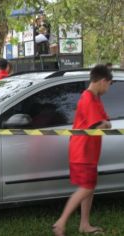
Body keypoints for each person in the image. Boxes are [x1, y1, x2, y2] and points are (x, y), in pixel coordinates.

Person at [52, 65, 113, 236]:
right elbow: (99, 125)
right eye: (109, 84)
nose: (108, 88)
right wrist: (105, 123)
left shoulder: (96, 98)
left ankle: (84, 225)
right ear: (102, 81)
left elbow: (105, 121)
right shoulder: (87, 99)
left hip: (89, 152)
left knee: (90, 187)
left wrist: (105, 123)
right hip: (83, 152)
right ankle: (61, 222)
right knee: (86, 187)